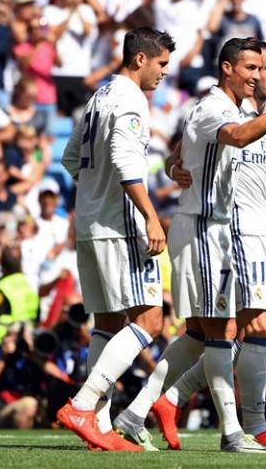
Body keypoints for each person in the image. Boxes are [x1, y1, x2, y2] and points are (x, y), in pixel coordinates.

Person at [115, 40, 266, 453]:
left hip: (256, 234)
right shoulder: (223, 110)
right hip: (219, 230)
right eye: (260, 69)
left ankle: (158, 404)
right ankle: (242, 429)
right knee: (233, 329)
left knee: (216, 332)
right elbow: (201, 147)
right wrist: (173, 167)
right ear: (234, 69)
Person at [56, 26, 175, 452]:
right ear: (140, 59)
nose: (164, 72)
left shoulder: (98, 97)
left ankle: (99, 430)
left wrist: (94, 191)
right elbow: (127, 161)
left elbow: (71, 157)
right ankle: (84, 405)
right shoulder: (130, 99)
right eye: (161, 63)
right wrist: (151, 216)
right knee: (149, 321)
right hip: (119, 224)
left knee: (106, 324)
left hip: (89, 221)